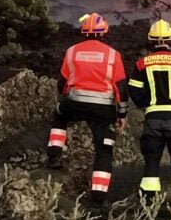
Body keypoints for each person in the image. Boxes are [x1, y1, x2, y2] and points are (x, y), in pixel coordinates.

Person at [47, 13, 129, 207]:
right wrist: (122, 114)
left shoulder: (72, 51)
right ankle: (98, 201)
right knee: (104, 151)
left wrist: (67, 95)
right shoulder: (112, 55)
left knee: (59, 116)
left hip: (76, 103)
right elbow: (121, 88)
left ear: (83, 31)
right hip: (103, 110)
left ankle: (54, 155)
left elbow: (62, 83)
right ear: (105, 33)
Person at [128, 19, 171, 198]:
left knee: (152, 157)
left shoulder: (141, 64)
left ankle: (149, 197)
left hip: (153, 118)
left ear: (151, 41)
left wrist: (144, 103)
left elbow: (134, 89)